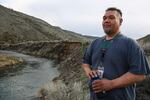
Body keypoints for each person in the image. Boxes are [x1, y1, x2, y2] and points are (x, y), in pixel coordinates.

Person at [82, 7, 150, 100]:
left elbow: (140, 74)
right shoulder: (95, 43)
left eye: (111, 18)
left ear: (120, 21)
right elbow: (85, 63)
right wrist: (90, 73)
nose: (106, 20)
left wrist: (111, 84)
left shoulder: (130, 44)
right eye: (104, 18)